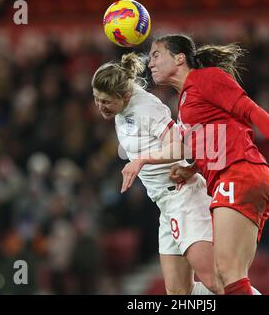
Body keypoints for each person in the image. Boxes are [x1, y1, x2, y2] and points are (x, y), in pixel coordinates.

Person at [123, 34, 269, 295]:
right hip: (232, 176)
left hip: (240, 172)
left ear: (179, 58)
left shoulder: (206, 78)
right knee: (226, 277)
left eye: (155, 55)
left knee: (227, 274)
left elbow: (251, 110)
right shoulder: (185, 102)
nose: (149, 62)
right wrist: (193, 168)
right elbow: (215, 140)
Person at [91, 52, 223, 295]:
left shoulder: (147, 110)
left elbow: (184, 146)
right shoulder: (123, 105)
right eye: (97, 99)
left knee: (215, 281)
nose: (101, 106)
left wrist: (142, 160)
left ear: (126, 96)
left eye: (107, 101)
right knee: (179, 292)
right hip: (166, 204)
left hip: (184, 199)